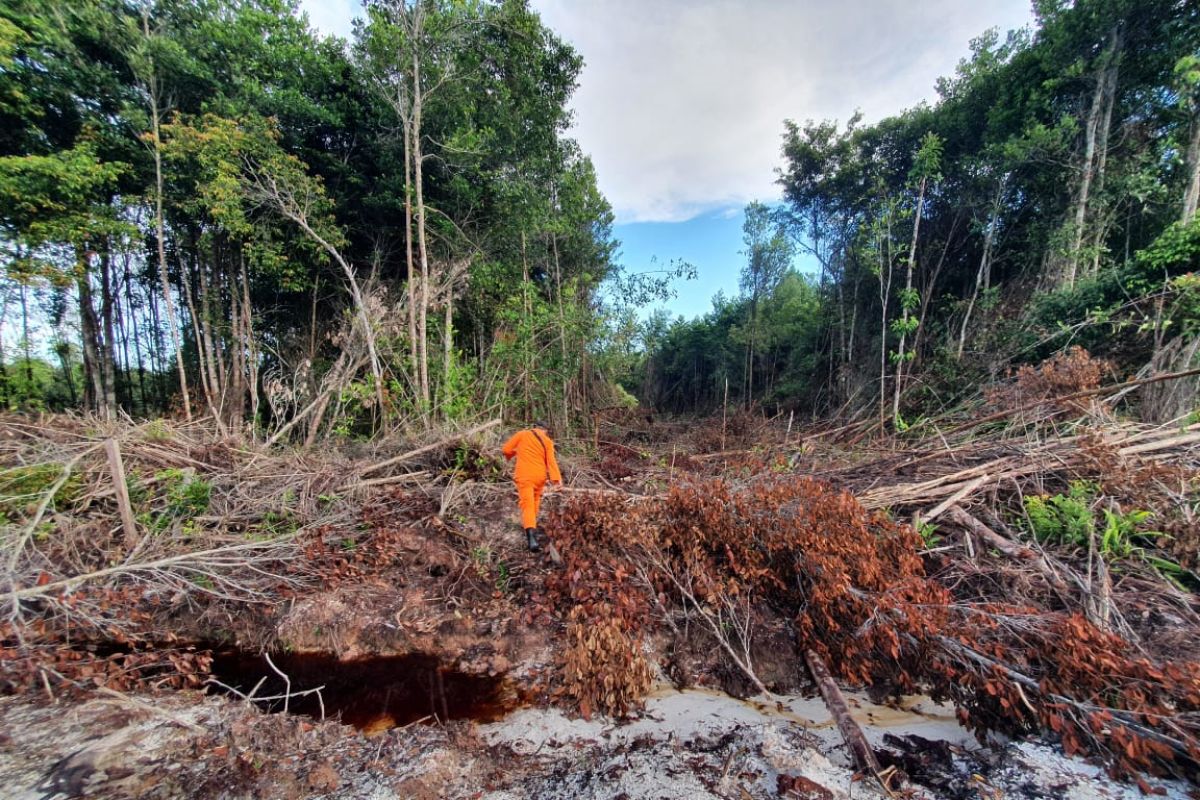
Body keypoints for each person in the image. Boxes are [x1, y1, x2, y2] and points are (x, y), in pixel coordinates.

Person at [501, 421, 562, 551]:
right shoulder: (548, 442)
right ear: (544, 430)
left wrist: (513, 454)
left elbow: (506, 449)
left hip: (525, 476)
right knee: (535, 502)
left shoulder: (522, 434)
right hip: (540, 477)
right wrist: (556, 480)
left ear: (534, 428)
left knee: (527, 505)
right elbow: (551, 462)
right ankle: (532, 530)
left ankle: (531, 540)